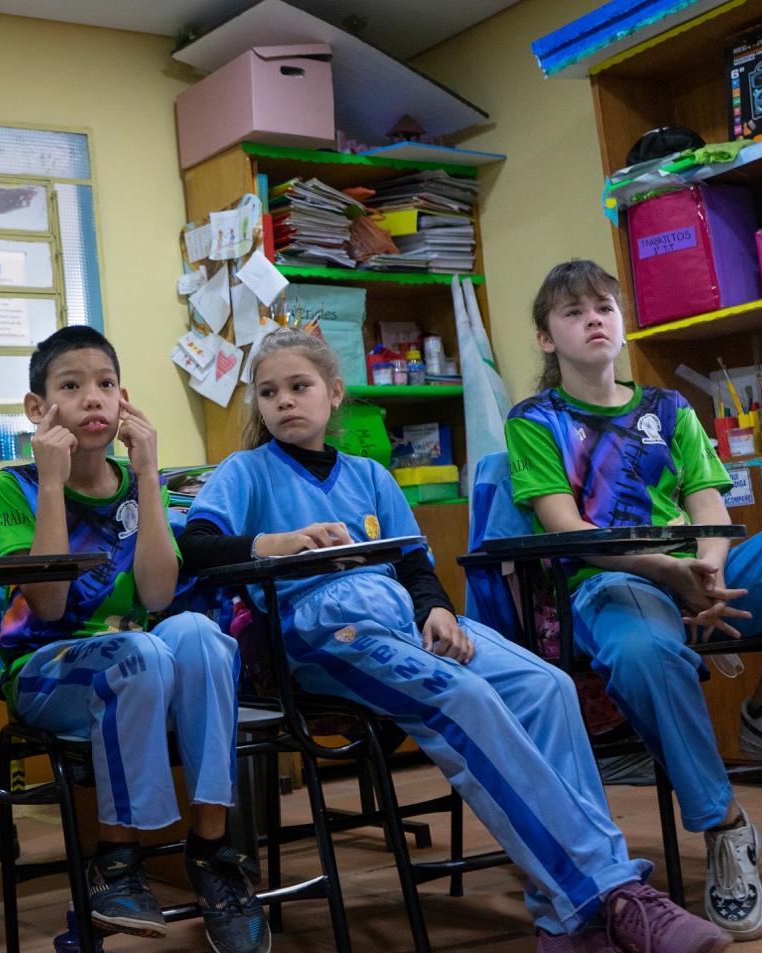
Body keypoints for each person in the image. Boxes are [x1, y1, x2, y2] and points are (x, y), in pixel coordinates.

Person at [183, 326, 728, 953]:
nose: (284, 402)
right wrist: (271, 544)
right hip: (321, 634)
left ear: (334, 394)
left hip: (403, 620)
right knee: (464, 699)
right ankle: (611, 895)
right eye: (269, 392)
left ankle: (564, 921)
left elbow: (413, 562)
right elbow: (196, 548)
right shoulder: (245, 473)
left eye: (299, 387)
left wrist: (437, 609)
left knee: (546, 685)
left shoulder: (369, 475)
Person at [506, 258, 762, 942]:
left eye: (603, 307)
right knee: (643, 653)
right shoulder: (534, 419)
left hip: (694, 568)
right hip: (611, 581)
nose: (593, 318)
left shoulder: (668, 407)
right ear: (544, 337)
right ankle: (724, 826)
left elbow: (707, 503)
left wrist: (706, 568)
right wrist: (667, 572)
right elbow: (567, 529)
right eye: (572, 311)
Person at [0, 325, 267, 953]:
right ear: (38, 409)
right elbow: (51, 601)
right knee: (140, 651)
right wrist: (53, 480)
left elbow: (161, 596)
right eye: (71, 385)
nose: (93, 398)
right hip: (46, 671)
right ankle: (116, 863)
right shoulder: (16, 485)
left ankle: (212, 849)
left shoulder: (140, 482)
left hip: (141, 667)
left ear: (124, 401)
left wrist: (147, 475)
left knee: (201, 633)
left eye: (106, 385)